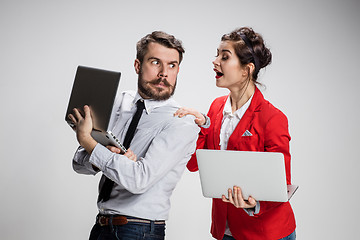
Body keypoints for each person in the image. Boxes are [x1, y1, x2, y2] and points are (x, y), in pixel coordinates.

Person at [68, 31, 200, 240]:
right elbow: (78, 164)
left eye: (172, 65)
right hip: (101, 226)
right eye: (155, 62)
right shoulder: (119, 102)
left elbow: (139, 180)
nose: (164, 73)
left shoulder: (182, 122)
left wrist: (90, 144)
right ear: (138, 65)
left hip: (139, 231)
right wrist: (101, 156)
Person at [175, 27, 296, 240]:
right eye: (217, 55)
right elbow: (194, 164)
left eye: (224, 57)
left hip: (265, 233)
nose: (215, 61)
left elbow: (281, 186)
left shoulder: (272, 118)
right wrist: (200, 125)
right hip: (227, 231)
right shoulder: (215, 108)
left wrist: (255, 204)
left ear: (246, 69)